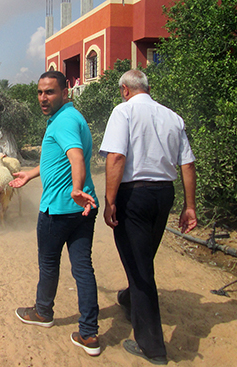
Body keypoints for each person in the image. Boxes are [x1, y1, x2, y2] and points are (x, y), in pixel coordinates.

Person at [100, 69, 197, 365]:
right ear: (147, 88)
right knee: (143, 257)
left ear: (125, 90)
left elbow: (116, 157)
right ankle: (130, 299)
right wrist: (189, 205)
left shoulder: (123, 112)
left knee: (142, 270)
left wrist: (110, 201)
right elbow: (188, 164)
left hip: (134, 197)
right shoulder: (173, 117)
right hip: (163, 195)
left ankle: (152, 347)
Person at [10, 71, 101, 357]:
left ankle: (43, 312)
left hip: (58, 210)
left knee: (49, 265)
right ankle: (88, 333)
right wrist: (31, 174)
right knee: (83, 269)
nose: (43, 98)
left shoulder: (62, 122)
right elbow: (60, 160)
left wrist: (75, 188)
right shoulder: (74, 118)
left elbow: (74, 156)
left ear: (66, 93)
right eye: (39, 92)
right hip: (83, 209)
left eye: (49, 92)